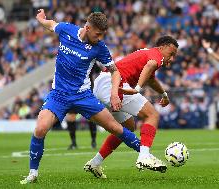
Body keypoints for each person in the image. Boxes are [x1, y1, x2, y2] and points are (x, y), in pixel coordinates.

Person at [20, 9, 149, 184]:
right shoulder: (66, 30)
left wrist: (114, 94)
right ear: (87, 27)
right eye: (98, 34)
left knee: (116, 128)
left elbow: (115, 72)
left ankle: (146, 156)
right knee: (40, 129)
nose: (101, 38)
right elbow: (51, 25)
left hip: (83, 96)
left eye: (103, 34)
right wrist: (41, 19)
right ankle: (33, 173)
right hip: (59, 95)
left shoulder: (99, 48)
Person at [84, 36, 178, 178]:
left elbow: (151, 79)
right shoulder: (156, 56)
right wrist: (138, 88)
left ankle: (95, 163)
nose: (171, 59)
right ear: (162, 47)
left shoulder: (149, 54)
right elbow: (150, 65)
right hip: (114, 84)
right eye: (171, 54)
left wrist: (164, 94)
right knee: (152, 115)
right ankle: (144, 156)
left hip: (102, 83)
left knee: (126, 128)